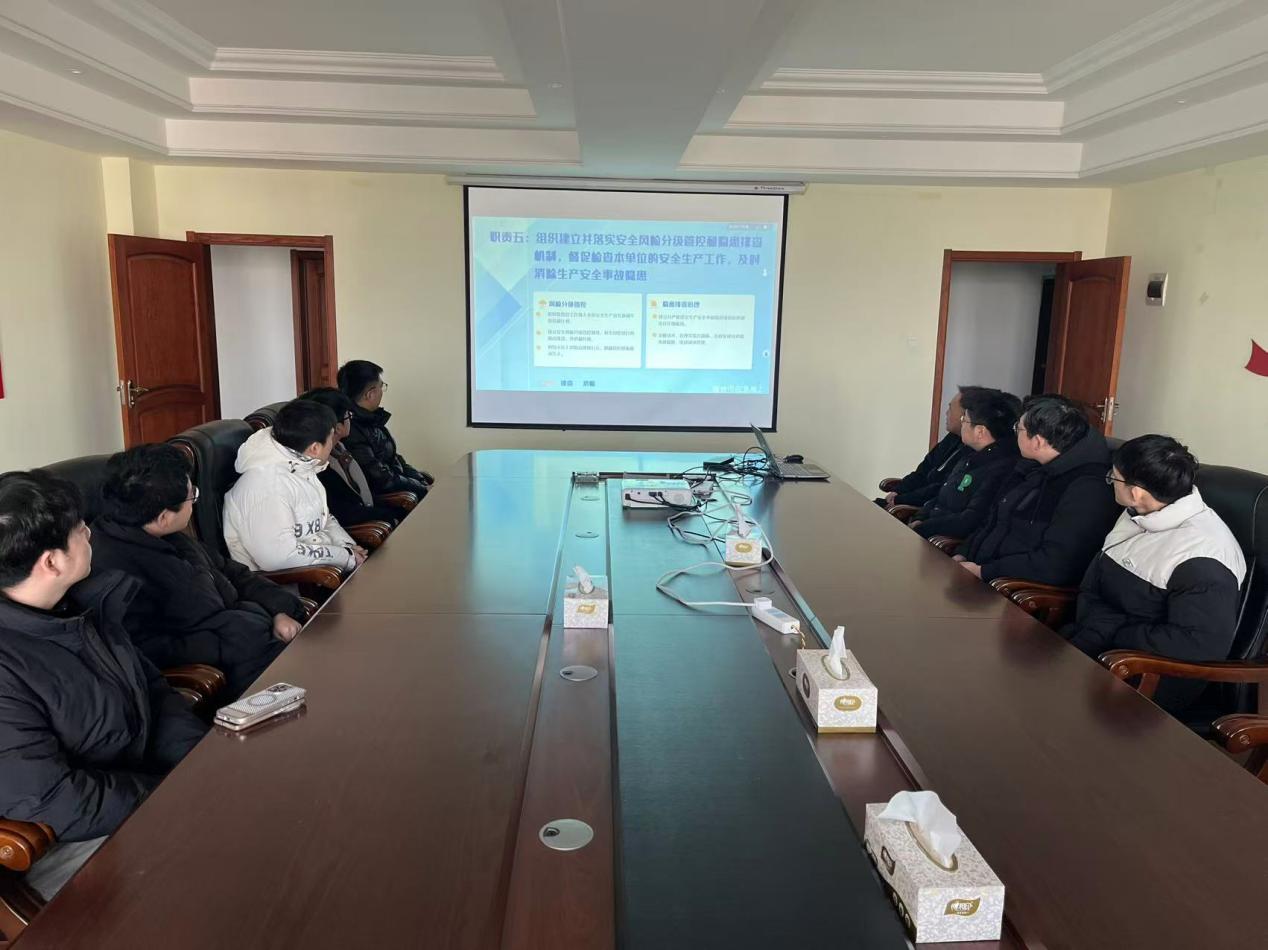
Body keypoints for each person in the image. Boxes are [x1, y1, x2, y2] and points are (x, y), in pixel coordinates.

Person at [0, 471, 206, 899]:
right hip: (70, 844)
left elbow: (152, 690)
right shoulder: (8, 668)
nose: (90, 532)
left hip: (146, 793)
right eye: (80, 529)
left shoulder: (81, 606)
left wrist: (199, 763)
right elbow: (54, 799)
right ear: (51, 562)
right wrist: (171, 794)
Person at [90, 444, 303, 697]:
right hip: (232, 675)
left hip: (261, 641)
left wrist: (279, 609)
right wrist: (238, 635)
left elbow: (235, 573)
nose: (194, 502)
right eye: (192, 496)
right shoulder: (114, 572)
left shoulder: (168, 535)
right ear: (164, 517)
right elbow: (148, 650)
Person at [1061, 436, 1245, 710]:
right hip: (1095, 643)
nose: (1110, 480)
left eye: (1114, 477)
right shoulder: (1141, 511)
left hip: (1143, 676)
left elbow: (1197, 644)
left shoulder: (1203, 557)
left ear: (1136, 492)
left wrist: (1113, 632)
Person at [955, 394, 1119, 586]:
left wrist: (983, 572)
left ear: (1038, 441)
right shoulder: (1033, 468)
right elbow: (993, 521)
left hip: (1011, 589)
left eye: (1019, 429)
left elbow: (1055, 564)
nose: (1015, 434)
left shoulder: (1088, 490)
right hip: (982, 573)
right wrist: (962, 553)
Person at [223, 400, 367, 573]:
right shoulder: (267, 487)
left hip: (322, 569)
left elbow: (324, 518)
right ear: (314, 448)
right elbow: (278, 557)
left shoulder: (302, 466)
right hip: (292, 582)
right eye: (331, 438)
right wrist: (345, 557)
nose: (333, 444)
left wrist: (347, 547)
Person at [910, 388, 1021, 540]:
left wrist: (923, 528)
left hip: (941, 543)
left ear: (980, 431)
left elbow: (968, 520)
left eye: (964, 420)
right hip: (928, 532)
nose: (961, 424)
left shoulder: (999, 468)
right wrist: (920, 517)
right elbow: (940, 495)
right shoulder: (968, 456)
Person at [300, 387, 408, 527]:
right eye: (348, 415)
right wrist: (390, 516)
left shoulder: (340, 449)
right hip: (358, 532)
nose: (351, 418)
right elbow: (344, 513)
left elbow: (363, 496)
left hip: (368, 515)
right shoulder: (320, 464)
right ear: (338, 427)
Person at [338, 359, 433, 498]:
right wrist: (423, 489)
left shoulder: (372, 420)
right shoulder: (351, 430)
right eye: (381, 386)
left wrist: (421, 481)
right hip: (392, 499)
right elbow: (381, 479)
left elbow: (396, 460)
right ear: (370, 394)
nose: (382, 391)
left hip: (402, 488)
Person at [877, 387, 978, 509]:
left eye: (950, 409)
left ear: (965, 416)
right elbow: (922, 471)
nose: (946, 413)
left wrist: (901, 499)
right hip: (907, 499)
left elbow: (940, 489)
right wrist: (898, 491)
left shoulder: (973, 451)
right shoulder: (952, 438)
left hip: (923, 509)